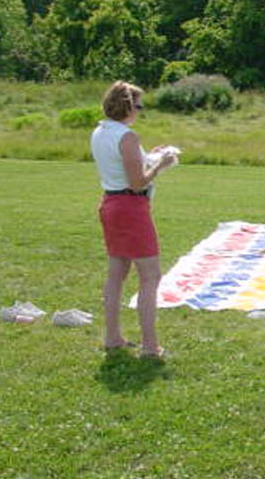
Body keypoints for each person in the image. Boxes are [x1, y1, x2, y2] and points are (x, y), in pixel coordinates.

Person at [91, 81, 176, 359]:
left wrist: (148, 155)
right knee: (150, 276)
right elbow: (138, 182)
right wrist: (160, 164)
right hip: (130, 207)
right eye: (139, 106)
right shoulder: (127, 136)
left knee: (117, 273)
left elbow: (122, 164)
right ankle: (151, 346)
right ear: (128, 107)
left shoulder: (100, 131)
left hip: (110, 204)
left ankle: (112, 337)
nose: (140, 112)